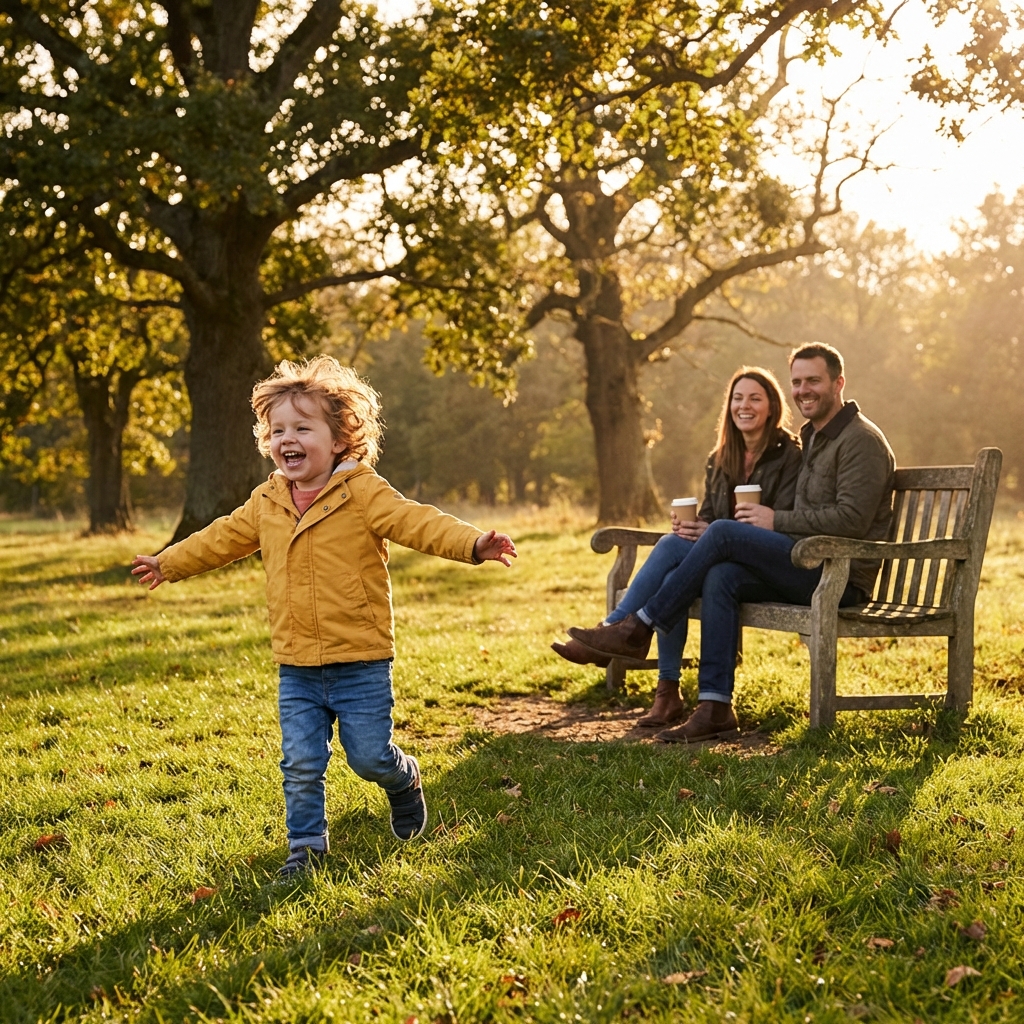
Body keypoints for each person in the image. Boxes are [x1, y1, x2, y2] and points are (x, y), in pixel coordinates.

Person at [131, 356, 516, 877]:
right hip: (297, 662)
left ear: (338, 440)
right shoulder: (266, 501)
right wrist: (168, 562)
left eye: (302, 427)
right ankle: (307, 848)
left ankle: (403, 780)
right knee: (302, 763)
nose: (286, 438)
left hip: (359, 659)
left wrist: (473, 543)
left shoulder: (362, 492)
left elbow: (415, 521)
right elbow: (219, 538)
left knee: (369, 758)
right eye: (277, 429)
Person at [567, 343, 895, 743]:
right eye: (797, 382)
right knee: (721, 575)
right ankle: (716, 706)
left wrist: (776, 520)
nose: (804, 390)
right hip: (805, 564)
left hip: (837, 577)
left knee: (722, 532)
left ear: (838, 383)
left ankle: (638, 627)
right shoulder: (818, 437)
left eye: (814, 381)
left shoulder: (859, 440)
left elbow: (852, 520)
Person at [553, 366, 802, 727]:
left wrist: (727, 527)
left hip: (764, 560)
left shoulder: (790, 454)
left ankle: (616, 634)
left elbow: (786, 515)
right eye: (737, 398)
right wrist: (695, 526)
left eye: (755, 398)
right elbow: (713, 518)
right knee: (674, 548)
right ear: (728, 406)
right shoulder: (720, 458)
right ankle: (664, 690)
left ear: (772, 407)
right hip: (723, 556)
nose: (744, 406)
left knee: (674, 557)